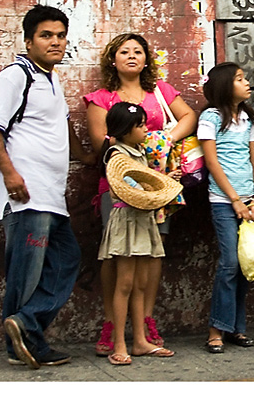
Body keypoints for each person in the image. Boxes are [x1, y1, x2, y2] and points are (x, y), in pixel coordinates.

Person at [0, 4, 94, 369]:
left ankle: (26, 325)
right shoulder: (15, 76)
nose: (55, 42)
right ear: (29, 40)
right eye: (46, 35)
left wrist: (87, 158)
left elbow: (60, 128)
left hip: (51, 195)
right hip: (25, 194)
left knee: (66, 260)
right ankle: (22, 345)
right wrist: (10, 174)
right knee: (26, 272)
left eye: (60, 36)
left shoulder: (51, 79)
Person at [83, 33, 197, 356]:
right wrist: (138, 145)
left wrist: (163, 140)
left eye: (138, 51)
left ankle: (145, 321)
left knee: (153, 250)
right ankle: (111, 324)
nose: (131, 56)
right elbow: (98, 144)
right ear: (113, 60)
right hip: (118, 189)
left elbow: (189, 116)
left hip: (157, 188)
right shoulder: (101, 98)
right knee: (116, 257)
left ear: (147, 60)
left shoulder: (160, 91)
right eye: (124, 51)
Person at [97, 102, 175, 365]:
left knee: (141, 283)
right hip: (126, 221)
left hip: (143, 220)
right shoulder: (116, 155)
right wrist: (155, 184)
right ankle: (119, 343)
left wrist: (164, 179)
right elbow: (131, 185)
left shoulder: (139, 151)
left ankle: (140, 340)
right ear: (125, 130)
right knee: (125, 283)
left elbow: (146, 181)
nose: (145, 129)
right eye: (140, 125)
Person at [197, 62, 254, 354]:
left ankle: (237, 328)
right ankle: (216, 329)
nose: (246, 82)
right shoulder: (210, 117)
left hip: (250, 202)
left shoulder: (248, 119)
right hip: (224, 201)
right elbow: (212, 162)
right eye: (239, 79)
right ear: (225, 85)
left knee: (247, 264)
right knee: (230, 263)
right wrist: (235, 199)